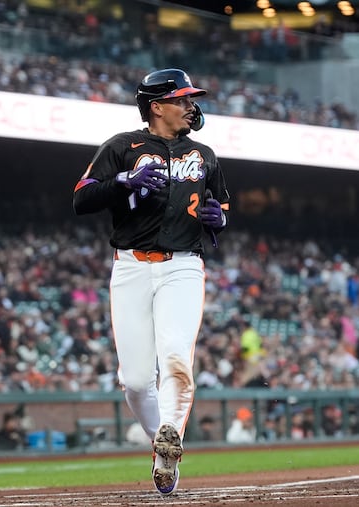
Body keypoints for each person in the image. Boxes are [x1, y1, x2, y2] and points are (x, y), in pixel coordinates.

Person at [73, 68, 230, 495]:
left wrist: (220, 219)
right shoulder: (122, 147)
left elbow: (222, 204)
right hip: (130, 266)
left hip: (183, 265)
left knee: (177, 357)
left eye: (189, 99)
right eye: (180, 99)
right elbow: (81, 196)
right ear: (156, 106)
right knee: (137, 380)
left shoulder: (206, 154)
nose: (189, 105)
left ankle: (169, 444)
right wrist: (123, 181)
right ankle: (160, 442)